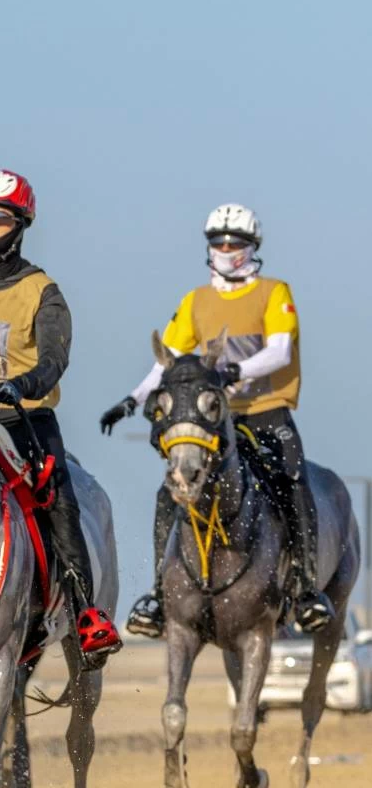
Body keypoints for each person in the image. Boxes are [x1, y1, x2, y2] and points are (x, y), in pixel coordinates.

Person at [99, 203, 331, 638]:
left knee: (293, 480)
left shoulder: (274, 292)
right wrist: (131, 400)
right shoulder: (196, 302)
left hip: (266, 411)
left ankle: (303, 588)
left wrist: (237, 371)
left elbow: (280, 350)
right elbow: (165, 361)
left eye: (236, 243)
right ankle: (157, 595)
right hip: (213, 423)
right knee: (172, 489)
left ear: (251, 247)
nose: (227, 250)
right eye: (219, 242)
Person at [0, 171, 122, 661]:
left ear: (20, 225)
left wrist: (22, 385)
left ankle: (86, 613)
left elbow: (54, 360)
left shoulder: (44, 290)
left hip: (23, 417)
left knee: (59, 498)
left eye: (0, 218)